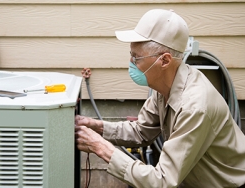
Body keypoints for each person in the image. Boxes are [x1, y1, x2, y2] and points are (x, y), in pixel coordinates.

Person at [75, 9, 245, 188]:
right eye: (131, 55)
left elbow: (162, 180)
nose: (131, 63)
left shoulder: (195, 106)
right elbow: (141, 131)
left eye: (136, 57)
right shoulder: (165, 85)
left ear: (164, 60)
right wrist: (96, 126)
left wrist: (101, 148)